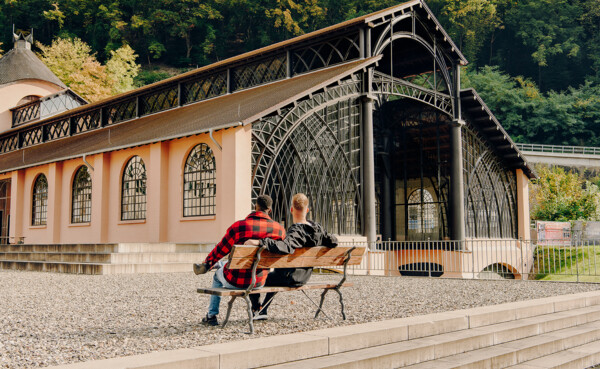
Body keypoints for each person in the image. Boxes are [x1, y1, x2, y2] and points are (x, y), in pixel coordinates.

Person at [193, 194, 285, 326]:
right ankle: (216, 265)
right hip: (259, 281)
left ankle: (211, 315)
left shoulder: (239, 227)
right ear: (269, 210)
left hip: (236, 280)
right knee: (227, 264)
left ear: (255, 207)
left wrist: (208, 262)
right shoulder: (279, 230)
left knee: (217, 275)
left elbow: (220, 250)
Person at [244, 193, 338, 320]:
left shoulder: (296, 231)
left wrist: (261, 241)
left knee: (256, 276)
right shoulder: (317, 229)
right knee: (274, 275)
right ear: (307, 210)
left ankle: (257, 309)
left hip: (289, 277)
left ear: (291, 209)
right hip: (304, 276)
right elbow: (333, 241)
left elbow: (285, 247)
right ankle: (263, 310)